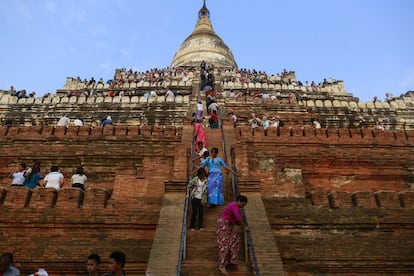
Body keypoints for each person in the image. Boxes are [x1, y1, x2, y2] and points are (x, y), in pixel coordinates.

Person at [216, 195, 249, 275]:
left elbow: (235, 218)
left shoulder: (234, 206)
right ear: (239, 201)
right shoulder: (234, 205)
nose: (242, 207)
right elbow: (238, 217)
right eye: (243, 204)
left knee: (235, 240)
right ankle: (222, 265)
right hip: (224, 225)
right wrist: (245, 226)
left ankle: (231, 260)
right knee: (224, 244)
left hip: (229, 225)